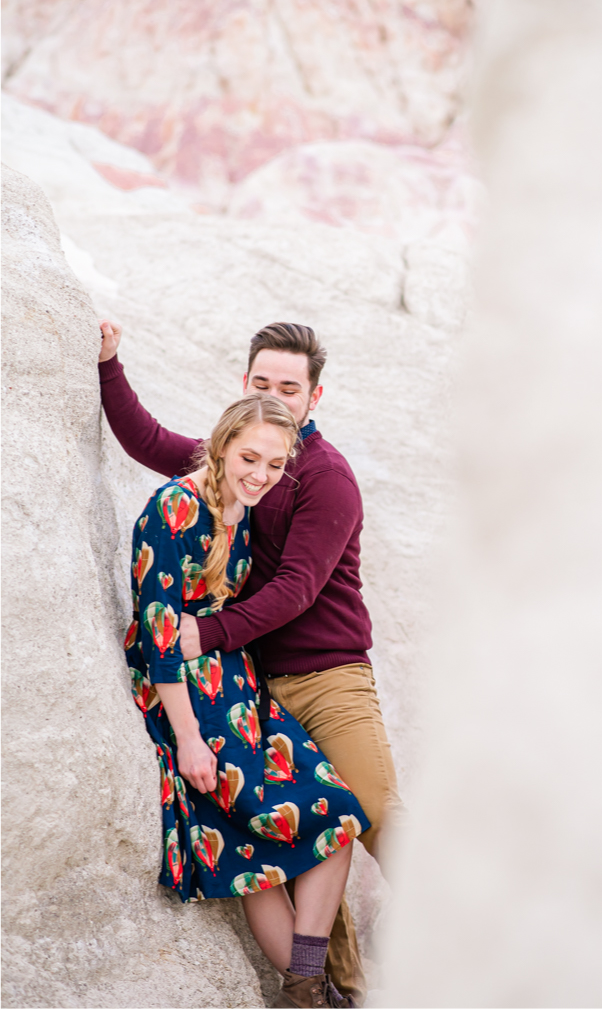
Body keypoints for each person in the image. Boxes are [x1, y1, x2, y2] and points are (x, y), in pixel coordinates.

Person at [98, 321, 396, 1006]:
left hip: (317, 671)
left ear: (313, 397)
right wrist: (110, 364)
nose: (260, 471)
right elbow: (148, 443)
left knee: (359, 812)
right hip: (217, 685)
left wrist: (212, 635)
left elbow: (295, 588)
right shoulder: (202, 492)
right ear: (239, 405)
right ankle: (326, 988)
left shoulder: (316, 477)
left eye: (290, 388)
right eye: (263, 384)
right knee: (272, 844)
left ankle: (356, 969)